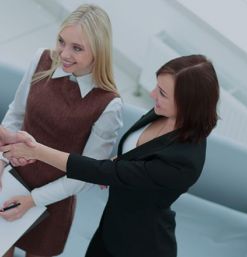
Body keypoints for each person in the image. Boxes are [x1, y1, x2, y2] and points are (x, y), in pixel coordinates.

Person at [1, 54, 220, 257]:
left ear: (188, 104)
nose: (152, 94)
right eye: (157, 86)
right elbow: (136, 156)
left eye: (162, 93)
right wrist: (120, 165)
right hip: (112, 226)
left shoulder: (184, 161)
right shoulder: (162, 114)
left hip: (139, 245)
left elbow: (104, 172)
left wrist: (37, 151)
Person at [0, 4, 122, 257]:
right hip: (9, 182)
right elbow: (16, 114)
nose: (64, 54)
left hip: (54, 200)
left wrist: (35, 199)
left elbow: (86, 172)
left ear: (98, 52)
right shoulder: (41, 59)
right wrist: (1, 161)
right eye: (61, 41)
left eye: (77, 48)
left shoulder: (108, 104)